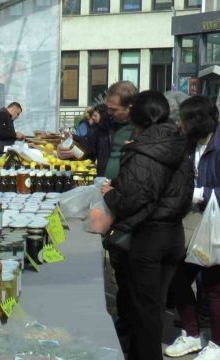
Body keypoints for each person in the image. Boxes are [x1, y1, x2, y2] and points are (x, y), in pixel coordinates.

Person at [102, 90, 194, 360]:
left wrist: (110, 193)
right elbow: (183, 193)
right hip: (173, 234)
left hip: (148, 238)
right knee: (153, 307)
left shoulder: (143, 150)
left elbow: (130, 200)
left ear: (136, 117)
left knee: (145, 312)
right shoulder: (179, 144)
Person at [166, 96, 220, 360]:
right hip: (192, 227)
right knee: (178, 281)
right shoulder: (190, 144)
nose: (179, 124)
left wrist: (200, 194)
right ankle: (192, 335)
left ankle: (219, 346)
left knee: (216, 291)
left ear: (197, 121)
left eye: (183, 119)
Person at [57, 81, 138, 350]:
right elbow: (89, 146)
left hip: (129, 196)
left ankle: (131, 324)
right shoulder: (105, 122)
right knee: (114, 251)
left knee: (130, 261)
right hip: (104, 194)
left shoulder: (142, 124)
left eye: (115, 110)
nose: (110, 113)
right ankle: (124, 321)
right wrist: (70, 150)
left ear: (130, 106)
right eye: (109, 109)